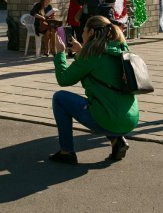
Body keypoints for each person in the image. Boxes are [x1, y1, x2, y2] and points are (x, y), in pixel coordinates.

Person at [50, 16, 139, 164]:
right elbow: (100, 68)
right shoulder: (121, 49)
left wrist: (60, 54)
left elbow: (64, 79)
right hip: (131, 119)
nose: (82, 33)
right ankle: (117, 140)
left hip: (110, 119)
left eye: (84, 30)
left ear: (91, 32)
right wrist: (81, 51)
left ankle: (67, 151)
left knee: (60, 98)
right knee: (105, 102)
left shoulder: (92, 55)